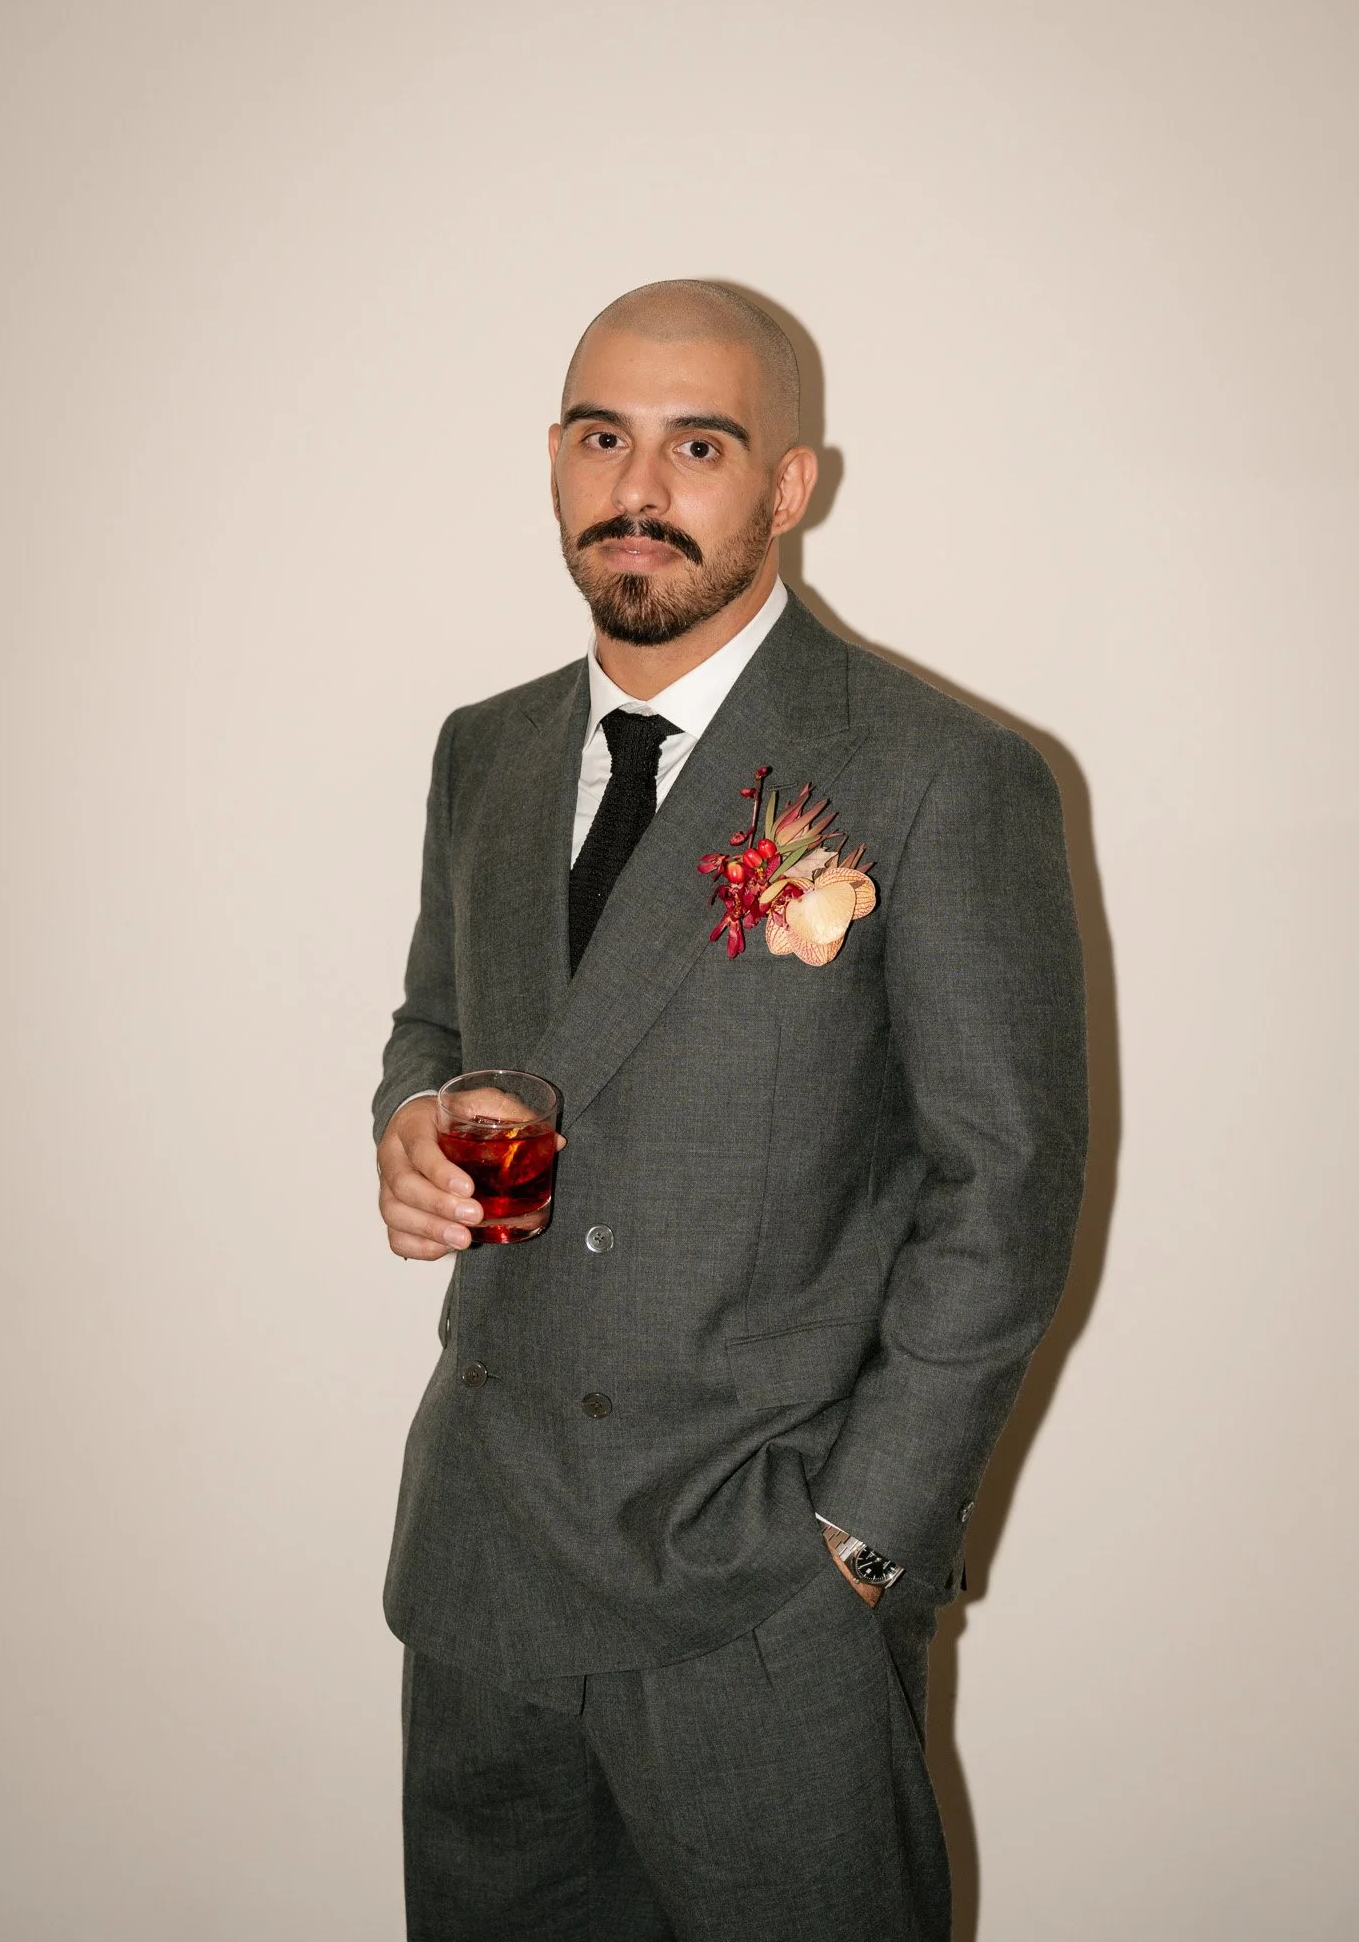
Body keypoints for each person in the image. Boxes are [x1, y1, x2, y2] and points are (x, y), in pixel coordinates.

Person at [374, 280, 1088, 1941]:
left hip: (755, 1587)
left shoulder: (932, 770)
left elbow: (1007, 1187)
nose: (641, 487)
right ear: (553, 459)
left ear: (789, 487)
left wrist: (863, 1544)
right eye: (601, 437)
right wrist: (412, 1119)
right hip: (481, 1561)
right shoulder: (484, 752)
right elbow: (435, 1021)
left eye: (700, 445)